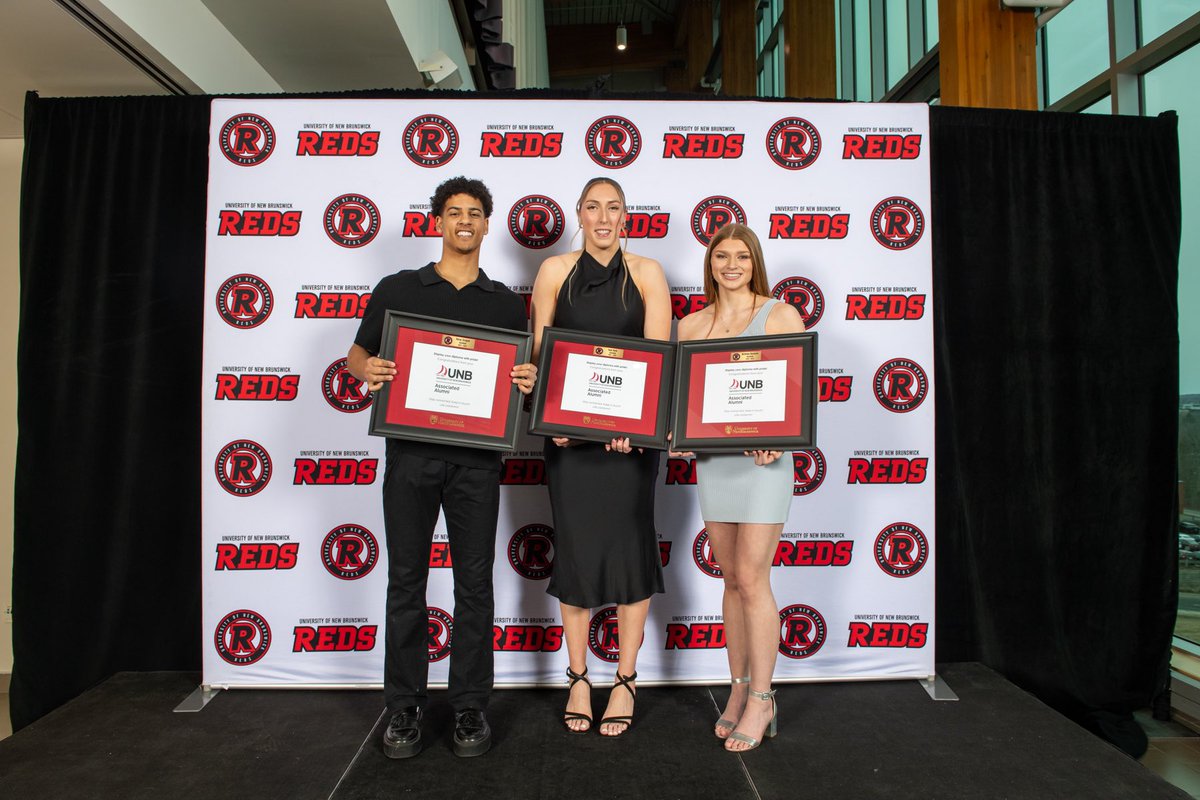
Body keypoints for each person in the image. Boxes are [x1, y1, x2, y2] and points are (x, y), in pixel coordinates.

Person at [347, 176, 537, 759]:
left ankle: (470, 707)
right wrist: (365, 370)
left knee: (474, 584)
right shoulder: (398, 287)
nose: (465, 221)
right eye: (454, 212)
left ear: (487, 224)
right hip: (411, 456)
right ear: (438, 221)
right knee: (406, 580)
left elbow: (520, 380)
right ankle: (403, 707)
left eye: (474, 213)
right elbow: (358, 352)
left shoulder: (505, 302)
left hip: (477, 463)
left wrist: (526, 379)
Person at [530, 177, 671, 736]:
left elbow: (658, 360)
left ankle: (626, 679)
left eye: (614, 208)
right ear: (579, 214)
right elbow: (540, 353)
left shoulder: (649, 273)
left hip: (628, 449)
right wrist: (553, 423)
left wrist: (635, 430)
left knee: (630, 553)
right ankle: (579, 677)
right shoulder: (553, 271)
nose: (604, 217)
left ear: (626, 216)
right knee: (576, 554)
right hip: (569, 448)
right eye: (594, 207)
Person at [673, 223, 805, 752]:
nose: (732, 265)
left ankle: (764, 697)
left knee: (752, 577)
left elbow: (797, 387)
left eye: (742, 257)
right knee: (730, 580)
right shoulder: (691, 325)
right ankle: (738, 687)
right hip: (715, 464)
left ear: (755, 263)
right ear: (710, 263)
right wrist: (677, 436)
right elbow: (682, 399)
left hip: (762, 465)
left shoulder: (779, 314)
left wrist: (780, 437)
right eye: (722, 256)